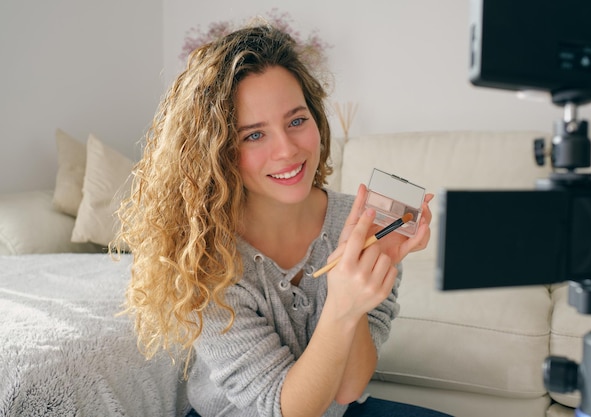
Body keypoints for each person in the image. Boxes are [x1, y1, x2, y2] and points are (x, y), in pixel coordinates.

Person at [116, 22, 448, 417]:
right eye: (253, 135)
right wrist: (342, 300)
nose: (287, 150)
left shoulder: (364, 223)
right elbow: (284, 410)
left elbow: (349, 388)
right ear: (217, 152)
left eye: (296, 121)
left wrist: (370, 271)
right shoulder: (204, 255)